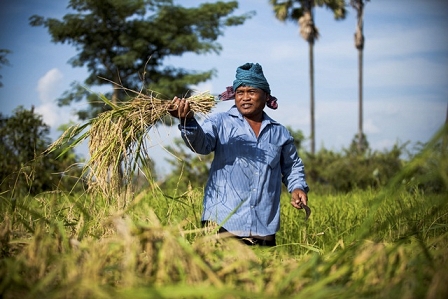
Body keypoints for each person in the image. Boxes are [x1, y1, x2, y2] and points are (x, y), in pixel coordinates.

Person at [169, 62, 309, 246]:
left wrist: (297, 187)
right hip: (221, 224)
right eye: (240, 92)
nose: (245, 98)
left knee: (262, 273)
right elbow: (201, 145)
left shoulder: (279, 133)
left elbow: (292, 167)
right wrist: (187, 121)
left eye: (251, 92)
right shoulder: (220, 122)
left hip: (263, 227)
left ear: (265, 96)